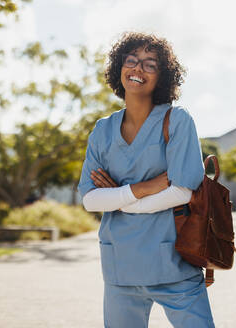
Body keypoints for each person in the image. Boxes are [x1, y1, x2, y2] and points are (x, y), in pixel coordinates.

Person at [77, 32, 215, 328]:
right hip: (120, 268)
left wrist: (121, 200)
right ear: (119, 68)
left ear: (162, 77)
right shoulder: (102, 130)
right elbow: (90, 199)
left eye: (150, 64)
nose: (138, 69)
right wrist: (145, 188)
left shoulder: (177, 121)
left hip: (174, 264)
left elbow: (182, 191)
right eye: (131, 61)